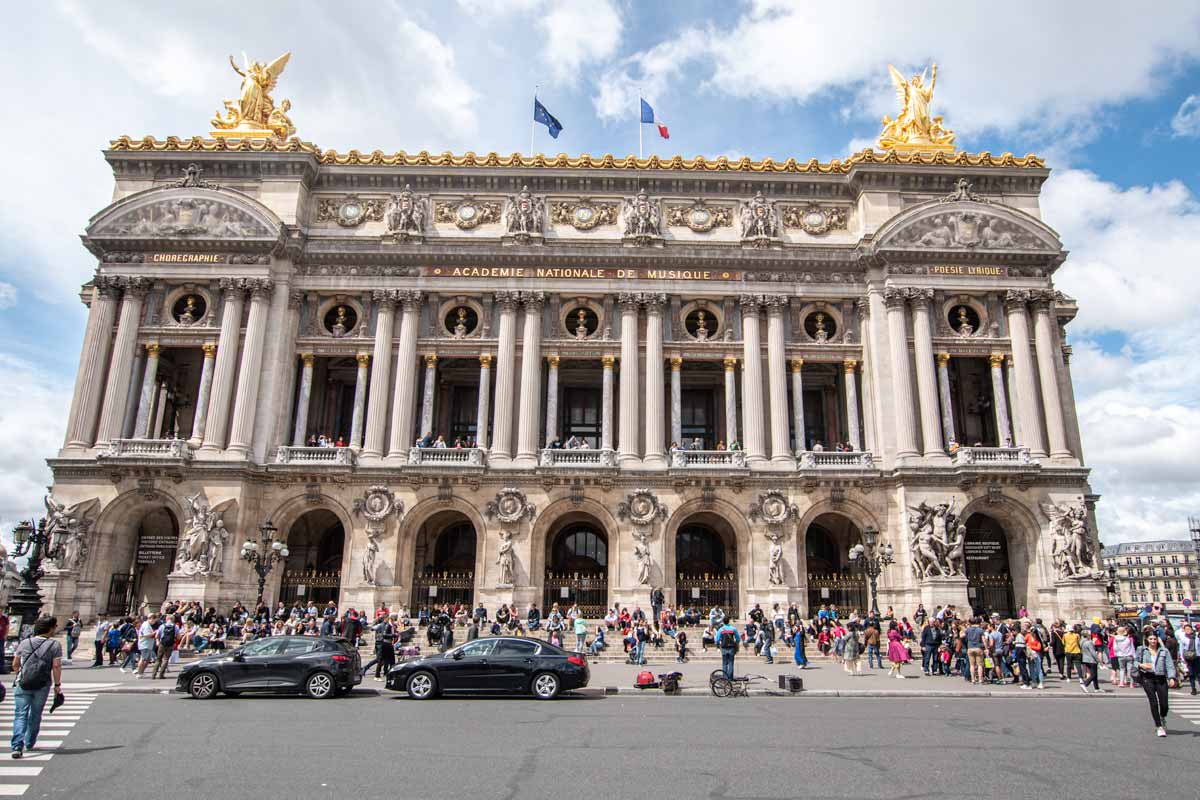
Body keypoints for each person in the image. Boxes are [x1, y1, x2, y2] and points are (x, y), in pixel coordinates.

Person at [10, 616, 63, 759]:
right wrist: (57, 685)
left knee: (20, 714)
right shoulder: (55, 645)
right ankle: (29, 741)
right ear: (50, 628)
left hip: (23, 683)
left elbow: (15, 664)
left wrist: (22, 674)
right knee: (36, 714)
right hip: (43, 684)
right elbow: (56, 666)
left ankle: (16, 746)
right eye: (54, 627)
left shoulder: (25, 643)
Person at [1136, 631, 1176, 737]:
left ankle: (1162, 717)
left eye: (1154, 639)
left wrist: (1171, 677)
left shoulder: (1164, 651)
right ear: (1147, 640)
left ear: (1157, 639)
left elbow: (1170, 665)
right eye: (1151, 639)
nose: (1153, 641)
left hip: (1161, 678)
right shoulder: (1141, 650)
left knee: (1164, 704)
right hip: (1147, 678)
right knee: (1153, 702)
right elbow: (1134, 662)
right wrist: (1141, 665)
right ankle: (1159, 726)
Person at [1178, 623, 1200, 695]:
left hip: (1197, 657)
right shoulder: (1183, 638)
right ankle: (1193, 689)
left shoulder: (1196, 637)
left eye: (1189, 629)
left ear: (1191, 630)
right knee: (1191, 674)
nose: (1188, 630)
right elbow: (1181, 649)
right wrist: (1182, 659)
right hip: (1188, 658)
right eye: (1186, 629)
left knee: (1198, 674)